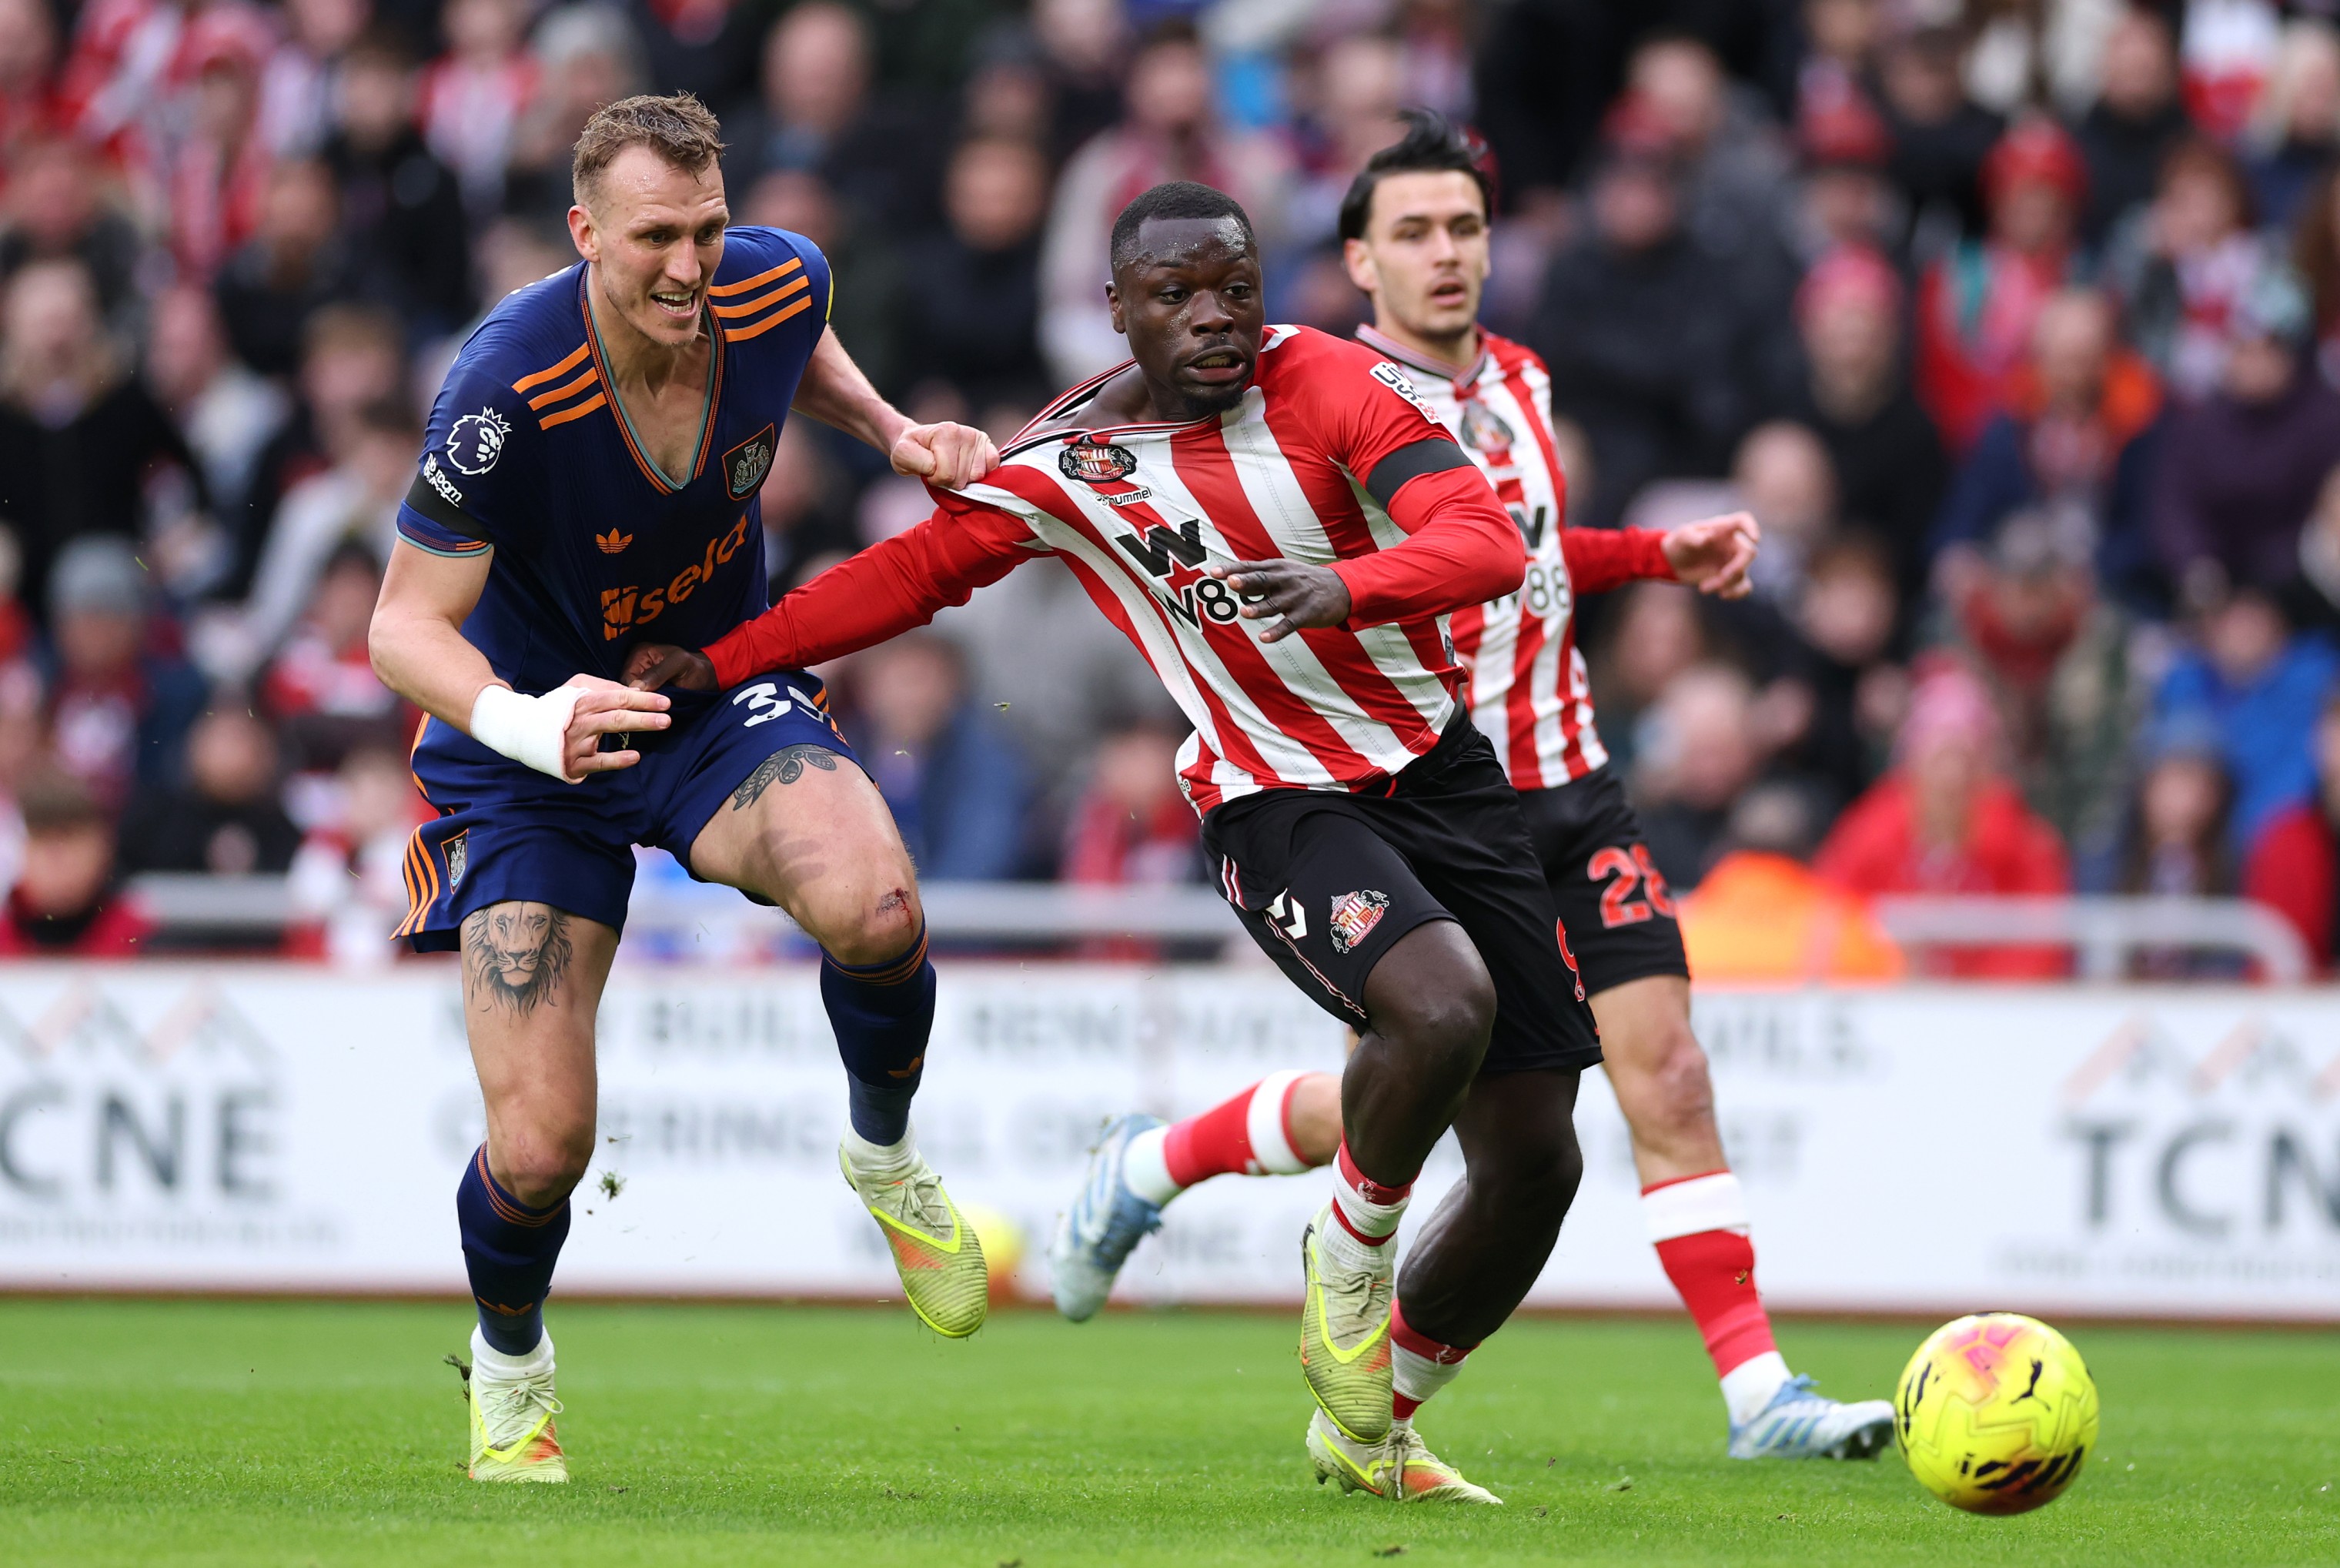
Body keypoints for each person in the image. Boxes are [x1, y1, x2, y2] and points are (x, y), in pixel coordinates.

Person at [630, 177, 1600, 1506]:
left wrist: (1345, 583)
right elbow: (911, 576)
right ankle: (1348, 1261)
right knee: (1440, 1011)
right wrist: (727, 658)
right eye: (1178, 295)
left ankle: (1372, 1418)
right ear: (1118, 311)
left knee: (1540, 1158)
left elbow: (1481, 537)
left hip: (1442, 774)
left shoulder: (1329, 386)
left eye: (1236, 289)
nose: (1216, 318)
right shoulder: (1069, 462)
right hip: (1276, 800)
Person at [363, 93, 1000, 1486]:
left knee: (879, 901)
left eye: (708, 229)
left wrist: (891, 430)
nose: (691, 267)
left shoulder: (775, 278)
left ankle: (884, 1159)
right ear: (584, 232)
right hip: (530, 752)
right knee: (539, 1146)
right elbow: (399, 630)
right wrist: (532, 724)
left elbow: (796, 347)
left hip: (705, 695)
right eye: (656, 236)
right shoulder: (503, 390)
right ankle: (513, 1368)